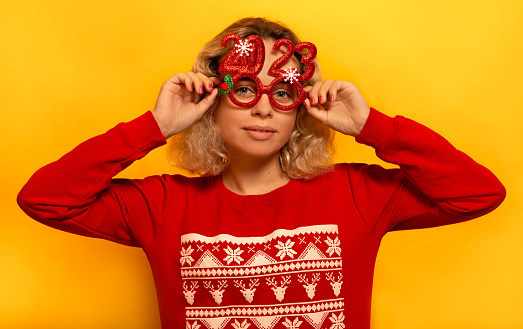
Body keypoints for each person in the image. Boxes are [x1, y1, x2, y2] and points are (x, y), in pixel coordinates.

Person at [17, 17, 505, 329]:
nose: (266, 109)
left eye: (285, 91)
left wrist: (370, 126)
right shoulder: (162, 206)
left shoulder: (357, 194)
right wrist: (157, 125)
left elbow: (478, 193)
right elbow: (45, 198)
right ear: (211, 97)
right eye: (247, 88)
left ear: (301, 107)